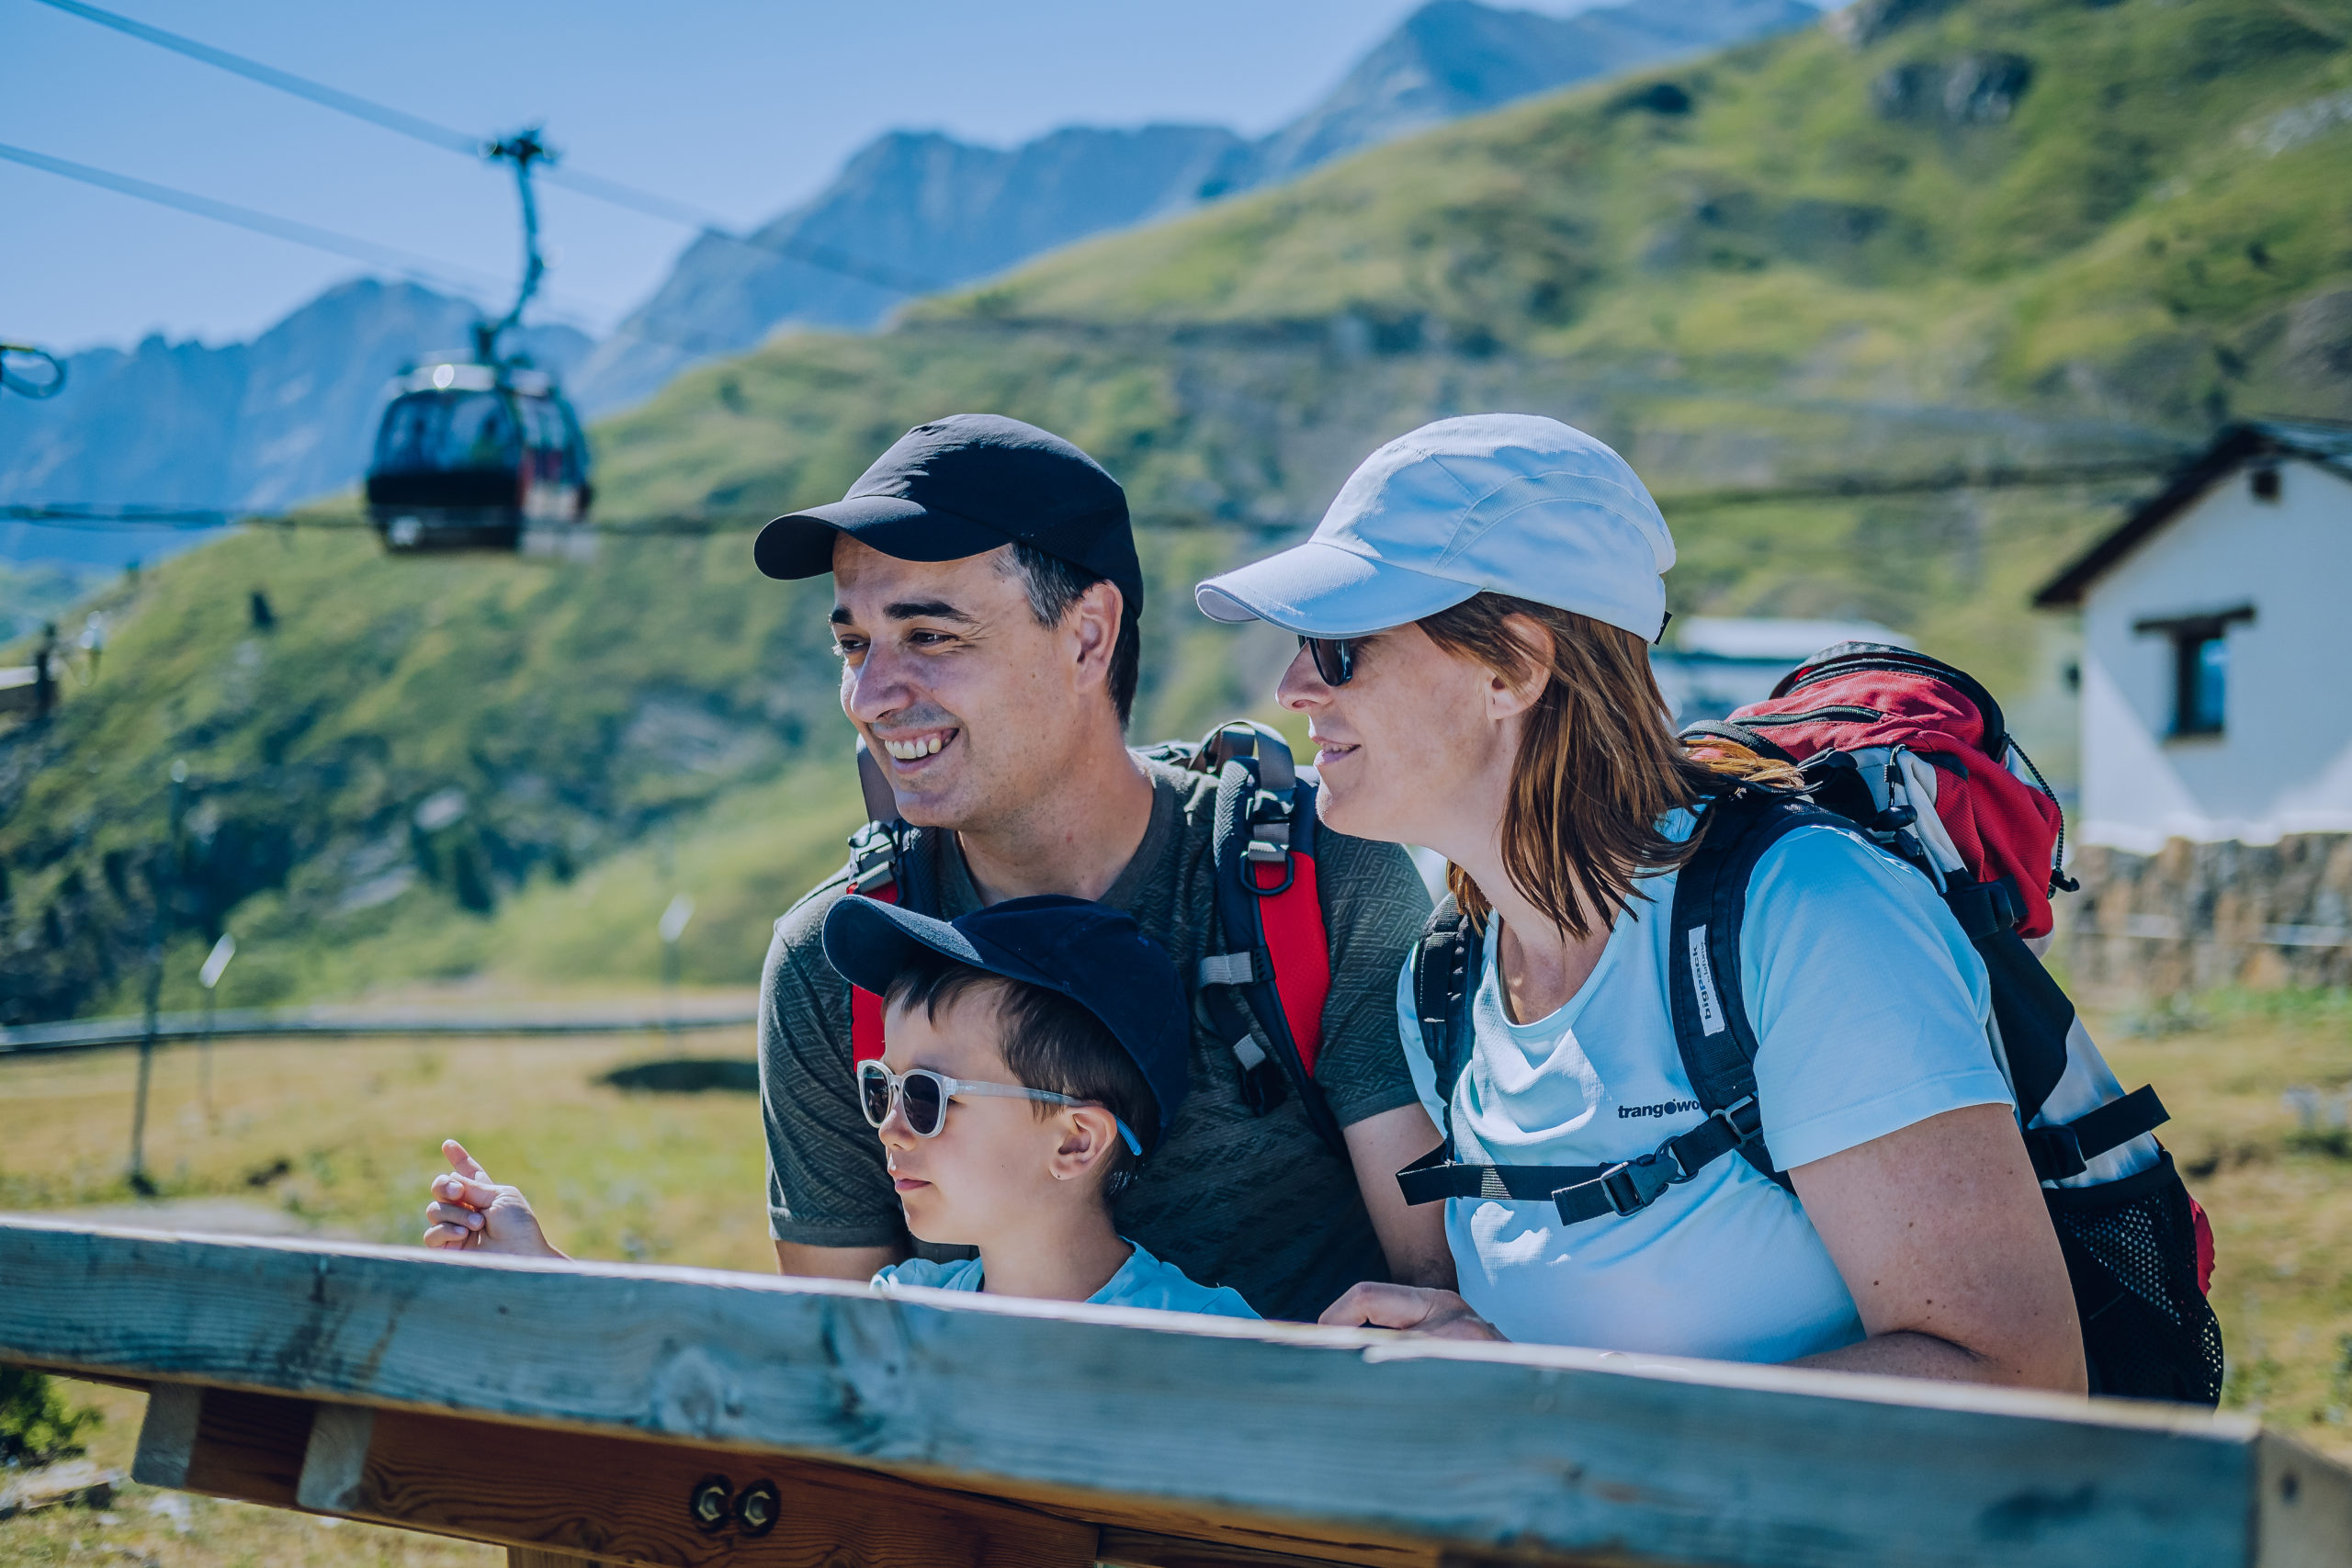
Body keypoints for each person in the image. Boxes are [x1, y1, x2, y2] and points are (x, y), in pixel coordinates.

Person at [424, 413, 1449, 1323]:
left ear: (1087, 636)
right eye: (852, 644)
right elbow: (835, 1362)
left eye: (928, 634)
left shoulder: (1311, 881)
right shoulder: (830, 964)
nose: (870, 695)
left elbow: (1431, 1307)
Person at [1189, 413, 2086, 1390]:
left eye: (1340, 648)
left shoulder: (1810, 914)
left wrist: (1562, 1402)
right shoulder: (1446, 977)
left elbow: (2017, 1374)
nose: (1293, 686)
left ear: (1513, 668)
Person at [823, 892, 1256, 1316]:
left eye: (925, 1094)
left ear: (1076, 1142)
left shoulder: (1211, 1343)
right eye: (882, 1087)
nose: (889, 1130)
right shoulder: (895, 1317)